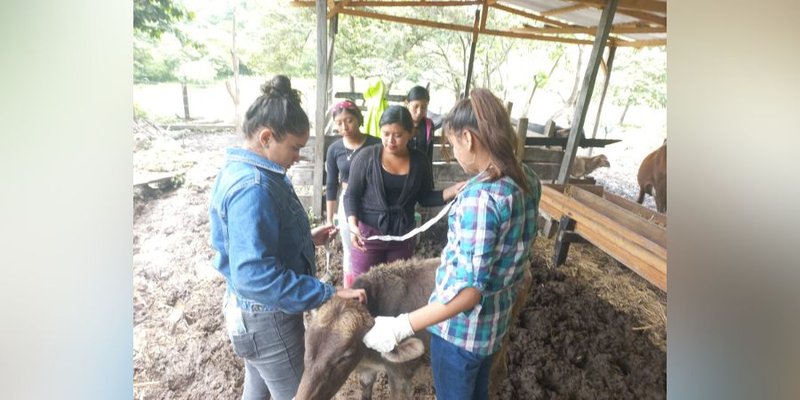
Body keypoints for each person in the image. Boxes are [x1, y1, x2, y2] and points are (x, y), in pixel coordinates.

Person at [362, 89, 541, 400]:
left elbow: (469, 292)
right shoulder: (526, 179)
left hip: (460, 335)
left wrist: (401, 325)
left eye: (454, 144)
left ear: (468, 139)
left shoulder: (480, 199)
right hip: (494, 326)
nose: (455, 152)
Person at [208, 75, 367, 400]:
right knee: (302, 393)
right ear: (267, 137)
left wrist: (306, 239)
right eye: (295, 147)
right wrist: (326, 292)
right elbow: (254, 274)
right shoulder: (254, 187)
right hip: (268, 319)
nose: (298, 156)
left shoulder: (242, 171)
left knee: (259, 389)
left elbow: (253, 246)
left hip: (251, 316)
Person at [344, 105, 464, 281]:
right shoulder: (366, 157)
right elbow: (351, 195)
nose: (391, 140)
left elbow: (424, 197)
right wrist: (353, 227)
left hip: (403, 237)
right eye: (385, 134)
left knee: (397, 287)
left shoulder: (420, 161)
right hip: (368, 237)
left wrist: (452, 191)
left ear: (411, 133)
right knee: (364, 287)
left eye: (398, 135)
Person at [325, 100, 381, 288]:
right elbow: (331, 184)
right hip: (347, 202)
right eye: (339, 122)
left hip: (373, 201)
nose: (344, 126)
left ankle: (375, 285)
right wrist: (329, 218)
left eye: (349, 120)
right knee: (350, 247)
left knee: (372, 244)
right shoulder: (334, 149)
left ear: (358, 119)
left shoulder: (376, 144)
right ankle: (352, 288)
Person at [405, 85, 436, 165]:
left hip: (421, 171)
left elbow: (429, 155)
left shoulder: (428, 126)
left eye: (423, 107)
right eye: (415, 106)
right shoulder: (400, 123)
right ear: (407, 104)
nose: (419, 111)